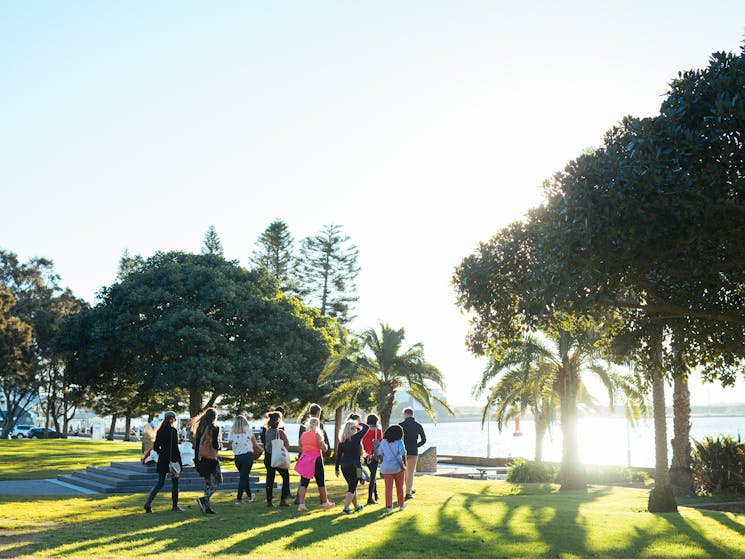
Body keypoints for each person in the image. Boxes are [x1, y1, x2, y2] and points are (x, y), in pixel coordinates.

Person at [143, 411, 182, 513]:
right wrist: (180, 462)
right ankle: (174, 505)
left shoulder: (160, 431)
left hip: (162, 460)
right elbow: (175, 448)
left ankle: (148, 503)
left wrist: (162, 453)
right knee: (175, 482)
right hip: (172, 459)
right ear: (172, 419)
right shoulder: (173, 431)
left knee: (160, 483)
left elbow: (156, 447)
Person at [296, 415, 335, 512]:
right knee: (320, 481)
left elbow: (300, 447)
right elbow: (324, 448)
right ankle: (325, 502)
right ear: (318, 425)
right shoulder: (317, 434)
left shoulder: (304, 434)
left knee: (304, 482)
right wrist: (325, 444)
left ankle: (301, 504)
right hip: (316, 459)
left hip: (305, 458)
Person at [335, 418, 369, 514]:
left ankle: (356, 506)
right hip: (356, 466)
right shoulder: (355, 438)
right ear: (352, 429)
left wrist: (336, 468)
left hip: (344, 466)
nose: (357, 429)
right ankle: (346, 508)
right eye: (355, 428)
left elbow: (338, 456)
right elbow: (366, 428)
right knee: (352, 487)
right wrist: (359, 423)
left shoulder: (342, 441)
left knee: (352, 487)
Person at [192, 407, 222, 514]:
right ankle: (204, 499)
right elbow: (215, 444)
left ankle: (206, 507)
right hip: (211, 458)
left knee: (207, 482)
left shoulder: (200, 428)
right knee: (218, 481)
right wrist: (219, 447)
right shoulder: (214, 428)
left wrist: (196, 460)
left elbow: (197, 444)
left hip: (201, 458)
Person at [263, 411, 291, 507]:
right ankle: (283, 500)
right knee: (285, 477)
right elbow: (287, 445)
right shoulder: (280, 432)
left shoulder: (267, 432)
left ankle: (269, 501)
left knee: (270, 478)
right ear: (279, 421)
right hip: (277, 456)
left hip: (268, 457)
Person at [376, 424, 407, 512]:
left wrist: (383, 463)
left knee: (388, 488)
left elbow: (380, 454)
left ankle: (389, 507)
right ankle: (401, 504)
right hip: (397, 467)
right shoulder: (399, 442)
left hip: (386, 468)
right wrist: (404, 464)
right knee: (399, 487)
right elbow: (403, 453)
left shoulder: (383, 442)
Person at [230, 414, 259, 504]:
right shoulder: (249, 432)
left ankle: (250, 496)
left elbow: (230, 443)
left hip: (237, 457)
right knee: (243, 477)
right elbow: (255, 444)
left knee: (244, 476)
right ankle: (239, 498)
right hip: (247, 456)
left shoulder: (232, 433)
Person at [399, 407, 426, 500]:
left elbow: (397, 439)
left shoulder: (400, 425)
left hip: (403, 451)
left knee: (405, 472)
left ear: (405, 414)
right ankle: (408, 493)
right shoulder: (418, 425)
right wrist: (416, 446)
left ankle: (408, 489)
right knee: (410, 472)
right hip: (413, 451)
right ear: (412, 414)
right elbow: (424, 440)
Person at [361, 413, 383, 505]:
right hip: (374, 455)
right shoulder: (377, 431)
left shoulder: (364, 430)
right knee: (373, 476)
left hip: (365, 455)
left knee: (372, 473)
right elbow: (381, 443)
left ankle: (376, 494)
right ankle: (370, 498)